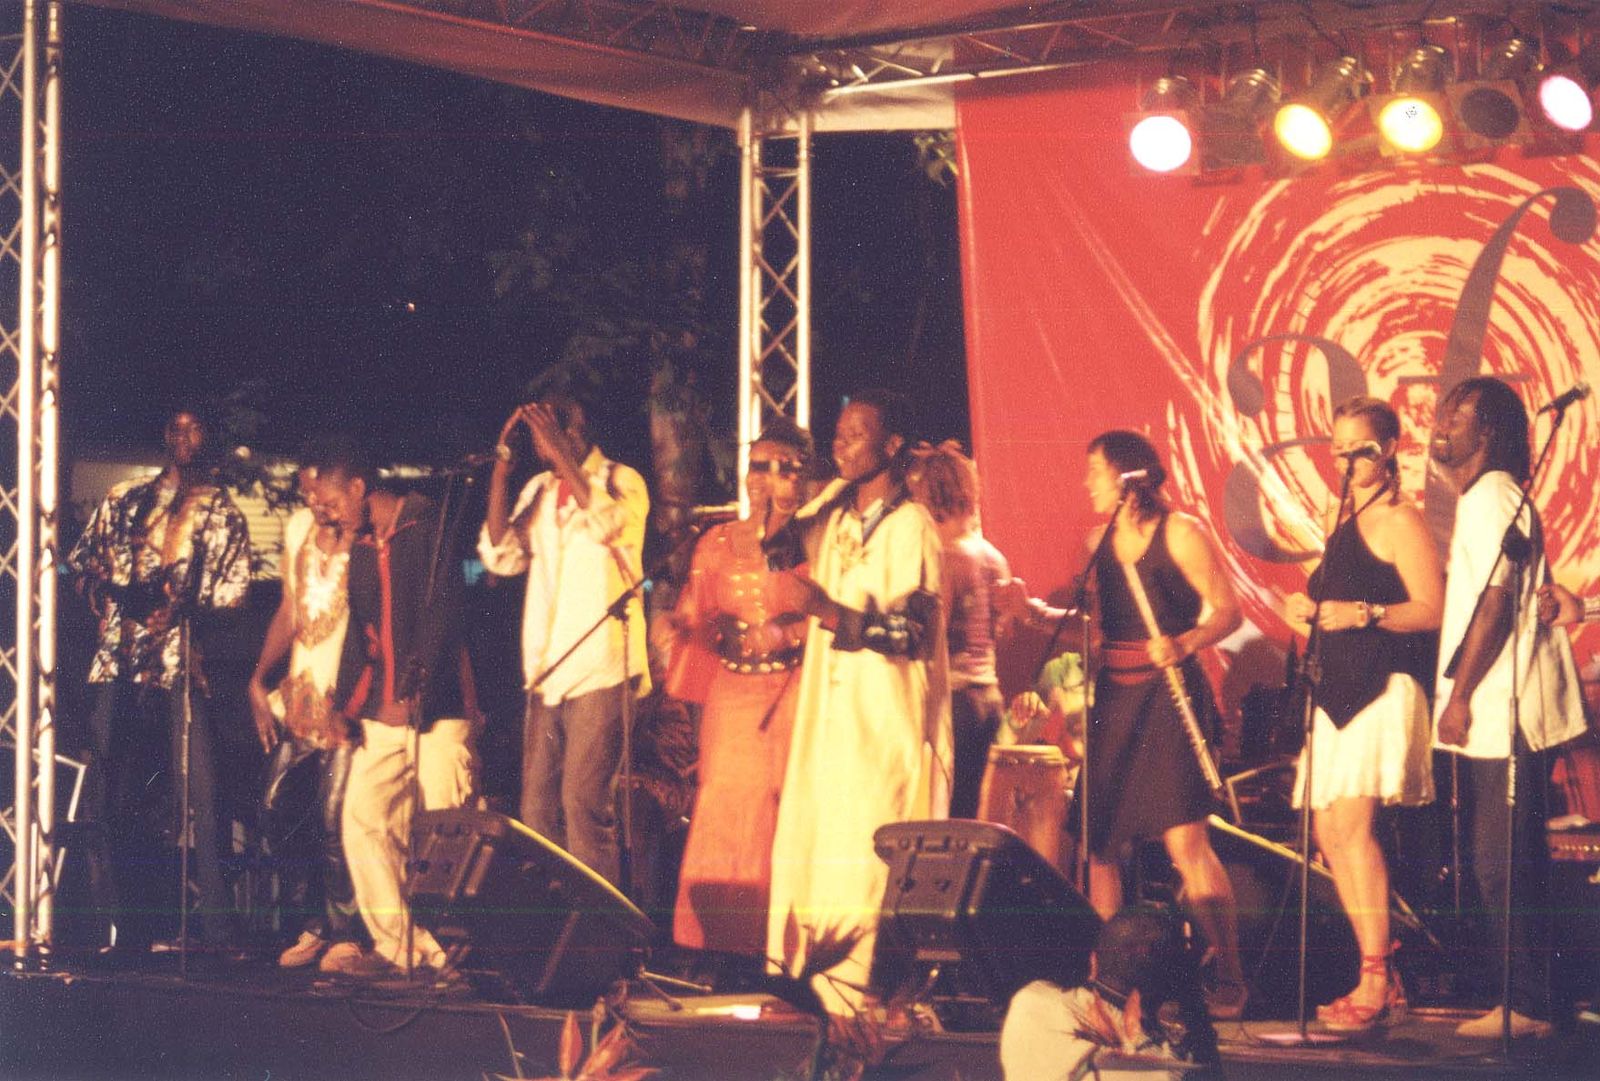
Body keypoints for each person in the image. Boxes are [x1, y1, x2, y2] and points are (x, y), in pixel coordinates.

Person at [1017, 431, 1247, 1018]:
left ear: (1127, 479)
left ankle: (1228, 972)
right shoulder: (1097, 544)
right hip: (1116, 698)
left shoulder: (1181, 534)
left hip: (1168, 697)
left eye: (1095, 471)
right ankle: (1113, 980)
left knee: (1184, 842)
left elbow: (1228, 610)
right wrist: (1033, 618)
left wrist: (1187, 641)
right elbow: (1094, 628)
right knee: (1100, 842)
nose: (1086, 483)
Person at [765, 389, 952, 1016]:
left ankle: (855, 994)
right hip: (832, 717)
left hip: (883, 721)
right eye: (838, 433)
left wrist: (824, 608)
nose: (840, 444)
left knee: (865, 851)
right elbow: (779, 554)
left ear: (891, 445)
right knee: (822, 839)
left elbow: (909, 633)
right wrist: (784, 503)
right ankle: (811, 984)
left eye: (855, 434)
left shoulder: (913, 527)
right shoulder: (837, 515)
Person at [1429, 377, 1587, 1039]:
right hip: (1500, 705)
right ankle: (1530, 1000)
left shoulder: (1492, 495)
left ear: (1487, 431)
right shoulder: (1484, 498)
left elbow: (1495, 604)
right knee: (1503, 860)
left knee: (1502, 864)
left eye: (1455, 415)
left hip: (1506, 706)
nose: (1440, 425)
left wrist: (1460, 696)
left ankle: (1529, 1005)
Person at [1281, 397, 1443, 1032]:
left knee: (1351, 827)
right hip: (1337, 687)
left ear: (1390, 449)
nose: (1347, 461)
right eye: (1339, 449)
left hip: (1380, 684)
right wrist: (1307, 608)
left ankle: (1375, 977)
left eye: (1361, 449)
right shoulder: (1339, 514)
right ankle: (1378, 971)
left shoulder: (1401, 520)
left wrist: (1364, 613)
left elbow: (1431, 607)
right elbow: (1337, 597)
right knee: (1329, 832)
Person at [68, 408, 252, 953]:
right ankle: (126, 927)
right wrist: (104, 594)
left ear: (208, 436)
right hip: (119, 664)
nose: (183, 437)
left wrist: (184, 609)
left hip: (182, 665)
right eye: (175, 427)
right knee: (112, 791)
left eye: (195, 427)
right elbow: (84, 565)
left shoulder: (222, 512)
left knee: (203, 792)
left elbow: (233, 597)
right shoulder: (124, 498)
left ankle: (217, 930)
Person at [309, 436, 478, 979]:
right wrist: (343, 707)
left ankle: (457, 951)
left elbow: (444, 616)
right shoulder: (362, 548)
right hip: (384, 717)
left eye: (333, 503)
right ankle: (400, 948)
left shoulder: (428, 527)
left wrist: (416, 691)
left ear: (359, 488)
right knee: (362, 817)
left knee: (447, 833)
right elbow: (360, 635)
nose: (328, 514)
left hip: (438, 712)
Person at [478, 389, 649, 890]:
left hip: (601, 666)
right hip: (547, 669)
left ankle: (599, 924)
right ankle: (555, 917)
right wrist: (501, 473)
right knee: (535, 809)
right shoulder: (537, 489)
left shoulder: (620, 480)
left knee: (582, 803)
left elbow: (609, 526)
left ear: (577, 430)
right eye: (536, 433)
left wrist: (565, 460)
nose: (541, 443)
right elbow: (501, 556)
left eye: (550, 430)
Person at [664, 419, 812, 959]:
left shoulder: (814, 539)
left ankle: (776, 948)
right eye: (756, 466)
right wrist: (681, 627)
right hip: (732, 696)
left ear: (801, 478)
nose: (762, 478)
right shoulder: (715, 542)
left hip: (790, 691)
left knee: (777, 812)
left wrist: (786, 632)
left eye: (779, 468)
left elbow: (827, 615)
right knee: (722, 809)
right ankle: (718, 946)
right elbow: (697, 614)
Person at [248, 462, 361, 971]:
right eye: (307, 495)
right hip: (299, 696)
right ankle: (314, 922)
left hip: (346, 702)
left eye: (321, 494)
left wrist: (353, 700)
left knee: (335, 818)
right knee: (276, 807)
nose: (314, 504)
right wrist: (258, 678)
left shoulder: (363, 539)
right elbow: (291, 610)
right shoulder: (298, 529)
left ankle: (347, 933)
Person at [910, 443, 1012, 819]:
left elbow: (933, 636)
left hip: (954, 700)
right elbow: (1002, 631)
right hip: (988, 697)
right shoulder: (993, 557)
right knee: (968, 809)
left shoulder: (947, 557)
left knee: (944, 809)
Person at [1000, 907, 1219, 1081]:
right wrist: (1193, 1005)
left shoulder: (1031, 1000)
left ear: (1093, 961)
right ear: (1172, 982)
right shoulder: (1161, 1066)